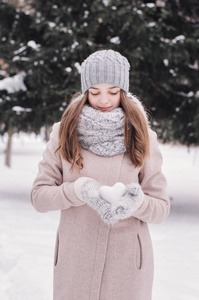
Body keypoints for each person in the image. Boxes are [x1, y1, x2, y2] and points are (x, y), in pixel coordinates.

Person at [31, 49, 170, 300]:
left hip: (127, 266)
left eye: (113, 92)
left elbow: (161, 207)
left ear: (124, 92)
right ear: (85, 92)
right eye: (95, 92)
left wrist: (135, 202)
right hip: (76, 263)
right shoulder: (63, 133)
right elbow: (39, 197)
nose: (104, 100)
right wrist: (77, 190)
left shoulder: (143, 136)